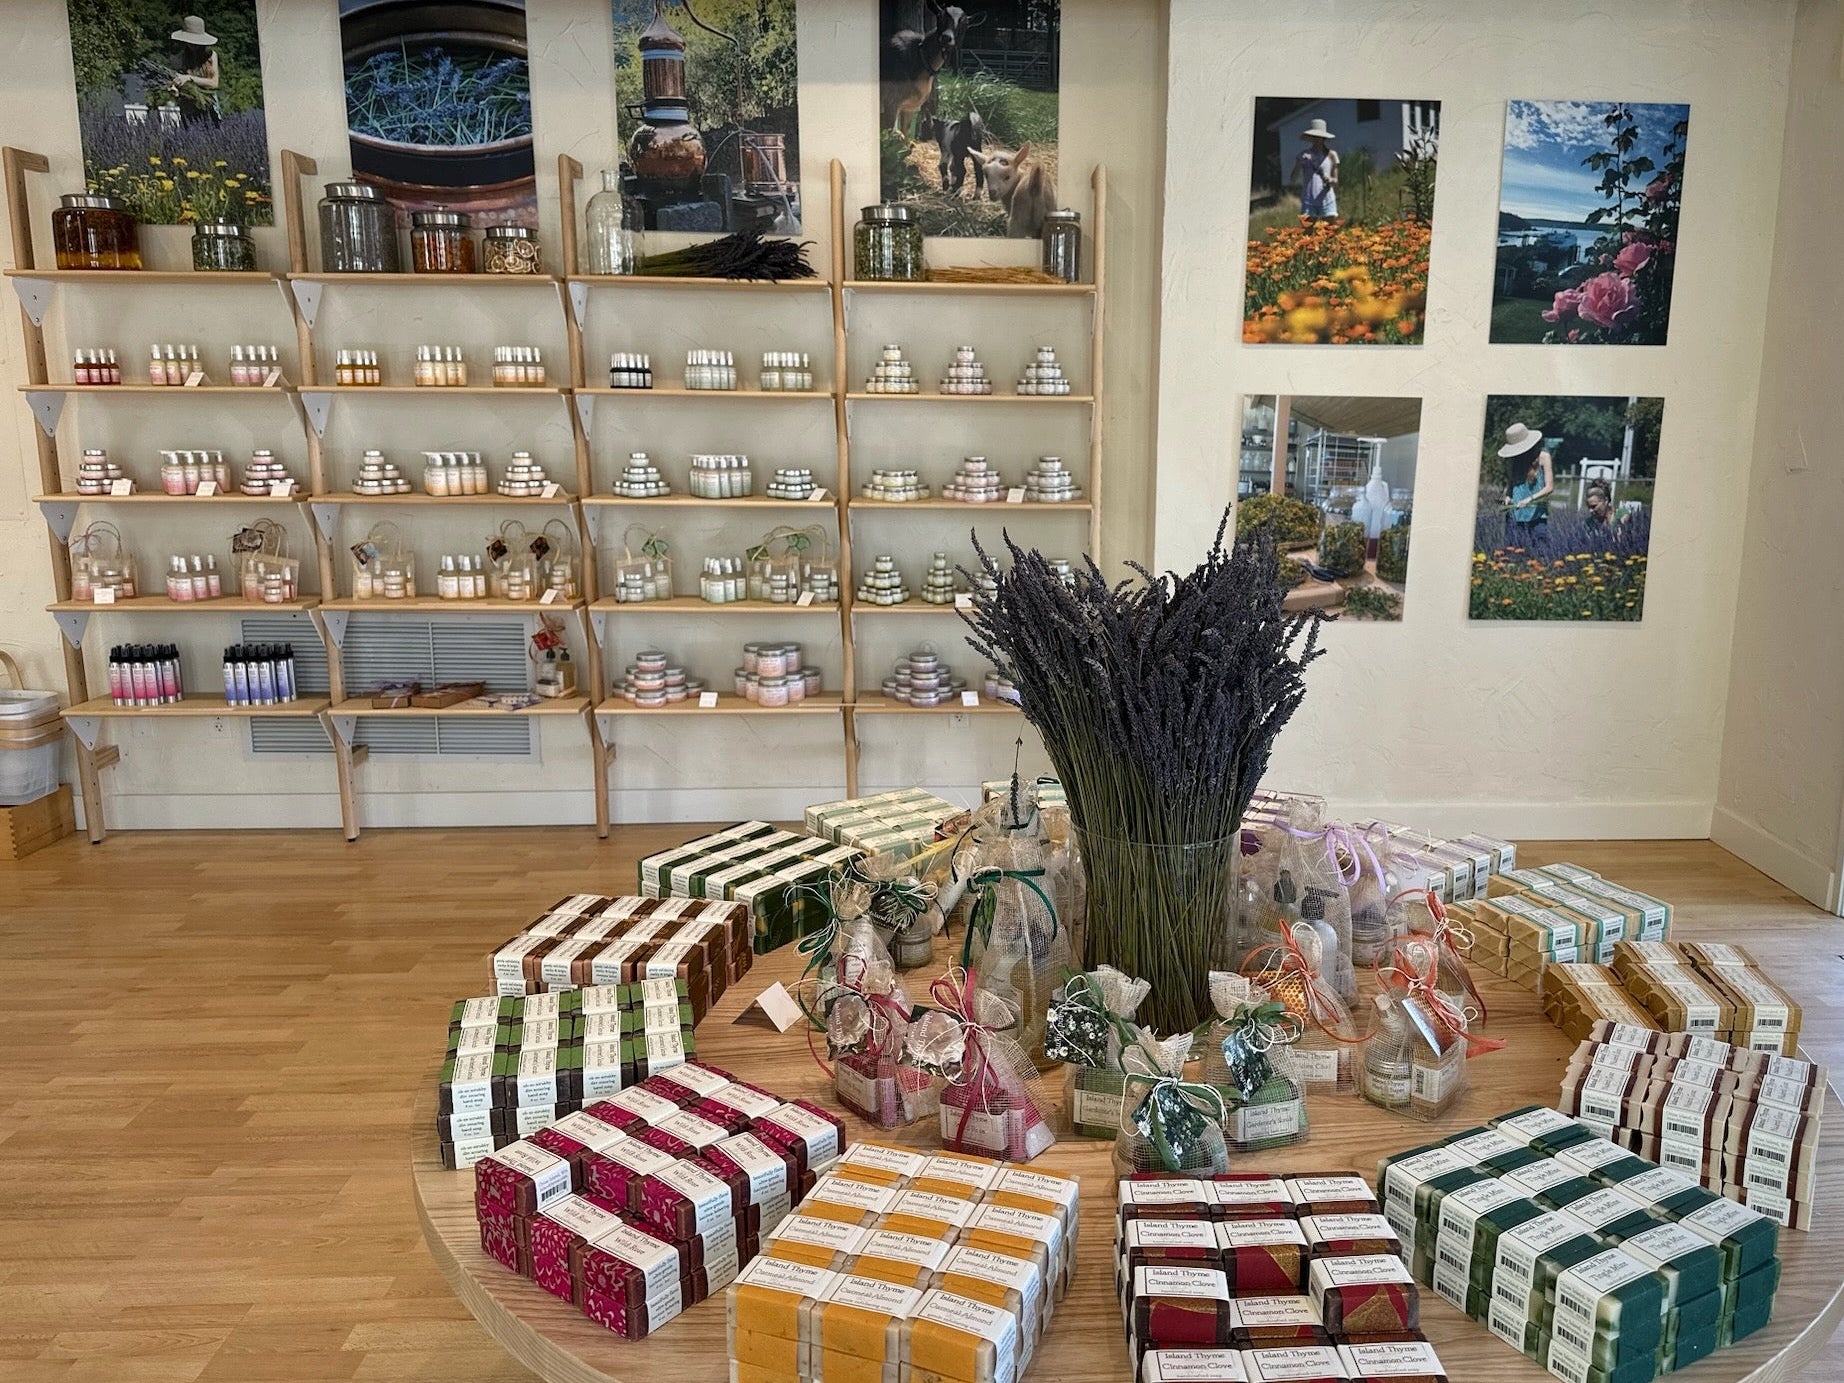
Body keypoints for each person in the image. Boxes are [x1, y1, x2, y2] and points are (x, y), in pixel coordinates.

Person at [1498, 421, 1554, 547]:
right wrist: (1507, 497)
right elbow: (1510, 484)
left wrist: (1530, 499)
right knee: (1513, 551)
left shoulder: (1543, 456)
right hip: (1515, 514)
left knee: (1540, 550)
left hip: (1537, 515)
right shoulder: (1513, 460)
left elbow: (1549, 487)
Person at [165, 16, 222, 127]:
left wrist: (189, 78)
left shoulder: (210, 56)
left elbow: (214, 83)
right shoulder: (179, 60)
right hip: (188, 110)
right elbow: (177, 89)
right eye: (190, 41)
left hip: (208, 108)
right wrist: (175, 92)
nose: (193, 45)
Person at [1294, 118, 1340, 220]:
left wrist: (1329, 180)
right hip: (1308, 199)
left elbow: (1336, 181)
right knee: (1308, 228)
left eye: (1319, 137)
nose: (1316, 140)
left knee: (1329, 228)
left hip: (1327, 199)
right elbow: (1293, 178)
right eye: (1314, 137)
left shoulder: (1332, 155)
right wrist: (1300, 163)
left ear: (1323, 138)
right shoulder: (1303, 155)